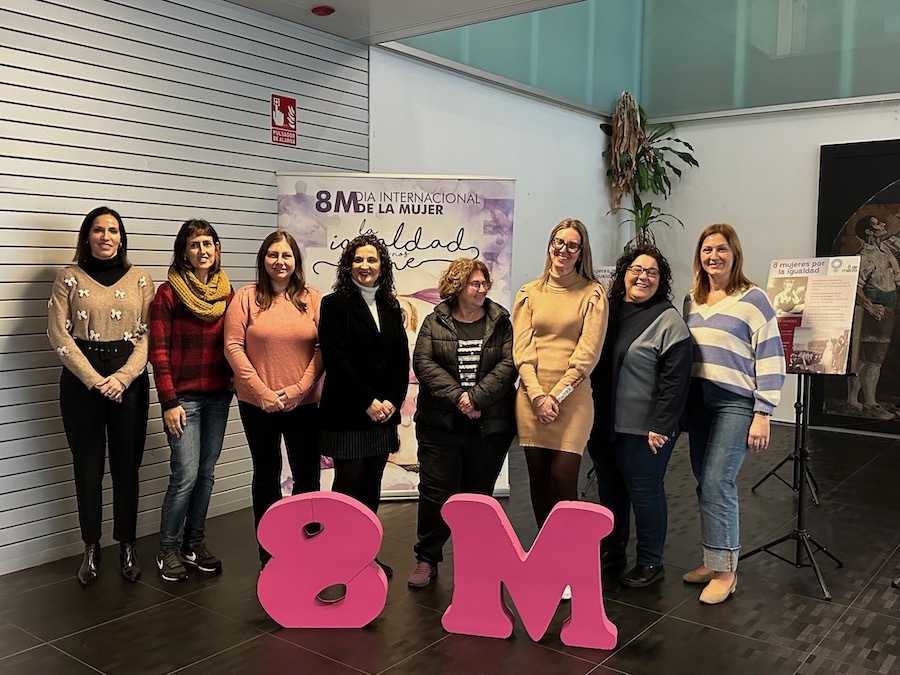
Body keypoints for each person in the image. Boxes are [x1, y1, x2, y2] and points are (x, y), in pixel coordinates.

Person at [48, 206, 153, 585]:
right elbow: (58, 335)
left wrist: (123, 378)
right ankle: (90, 547)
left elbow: (149, 337)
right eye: (98, 230)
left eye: (113, 230)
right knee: (87, 464)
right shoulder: (68, 278)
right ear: (87, 236)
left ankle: (127, 544)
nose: (106, 236)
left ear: (121, 237)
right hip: (82, 380)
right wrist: (95, 380)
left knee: (127, 465)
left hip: (130, 379)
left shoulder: (141, 279)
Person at [683, 223, 785, 604]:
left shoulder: (753, 298)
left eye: (721, 249)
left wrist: (764, 412)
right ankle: (713, 559)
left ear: (734, 253)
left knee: (717, 482)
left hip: (734, 403)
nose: (714, 256)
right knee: (702, 481)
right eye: (707, 249)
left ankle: (726, 573)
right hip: (697, 401)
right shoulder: (691, 299)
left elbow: (772, 355)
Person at [406, 258, 517, 588]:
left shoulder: (501, 321)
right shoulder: (434, 320)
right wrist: (459, 398)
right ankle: (427, 558)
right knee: (436, 495)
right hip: (441, 425)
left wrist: (477, 398)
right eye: (475, 284)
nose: (482, 289)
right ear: (457, 287)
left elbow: (509, 365)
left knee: (478, 497)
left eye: (485, 284)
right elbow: (423, 364)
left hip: (489, 426)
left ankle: (476, 559)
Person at [587, 245, 691, 588]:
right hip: (603, 424)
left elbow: (676, 380)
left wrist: (662, 425)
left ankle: (650, 561)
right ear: (624, 274)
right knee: (610, 492)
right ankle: (612, 550)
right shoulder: (609, 312)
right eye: (636, 269)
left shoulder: (668, 319)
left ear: (661, 282)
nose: (642, 277)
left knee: (645, 493)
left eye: (652, 273)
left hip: (646, 429)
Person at [224, 231, 323, 569]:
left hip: (305, 404)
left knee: (307, 477)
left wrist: (298, 391)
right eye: (273, 255)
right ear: (263, 260)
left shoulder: (313, 299)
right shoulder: (245, 298)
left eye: (287, 255)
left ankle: (307, 548)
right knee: (266, 475)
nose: (280, 262)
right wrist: (263, 393)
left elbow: (324, 350)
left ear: (296, 261)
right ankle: (270, 554)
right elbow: (233, 347)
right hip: (257, 404)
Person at [512, 218, 608, 553]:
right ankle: (548, 556)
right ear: (550, 245)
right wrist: (538, 396)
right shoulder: (529, 293)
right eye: (558, 242)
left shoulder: (593, 293)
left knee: (562, 480)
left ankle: (570, 556)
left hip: (573, 401)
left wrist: (556, 395)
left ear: (581, 253)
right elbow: (521, 351)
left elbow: (588, 354)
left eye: (572, 245)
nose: (563, 250)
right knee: (538, 482)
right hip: (531, 399)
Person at [318, 234, 409, 579]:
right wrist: (368, 402)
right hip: (348, 413)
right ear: (348, 265)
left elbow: (401, 360)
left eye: (372, 260)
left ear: (382, 266)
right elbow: (336, 360)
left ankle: (364, 557)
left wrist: (391, 402)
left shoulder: (391, 306)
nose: (365, 266)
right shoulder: (334, 304)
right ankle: (339, 561)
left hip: (382, 416)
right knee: (348, 490)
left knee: (371, 490)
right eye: (358, 260)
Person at [149, 219, 233, 582]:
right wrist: (168, 401)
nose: (202, 250)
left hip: (218, 397)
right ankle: (167, 548)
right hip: (183, 400)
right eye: (194, 244)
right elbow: (159, 351)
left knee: (207, 474)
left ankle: (193, 543)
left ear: (217, 250)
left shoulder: (228, 295)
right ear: (183, 251)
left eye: (208, 243)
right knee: (184, 474)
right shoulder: (168, 294)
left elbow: (235, 344)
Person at [846, 215, 899, 419]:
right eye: (877, 224)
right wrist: (870, 306)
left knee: (866, 358)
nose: (883, 225)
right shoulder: (865, 257)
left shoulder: (884, 249)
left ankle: (854, 400)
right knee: (872, 359)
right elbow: (855, 286)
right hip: (877, 311)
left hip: (887, 309)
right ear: (868, 232)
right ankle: (869, 403)